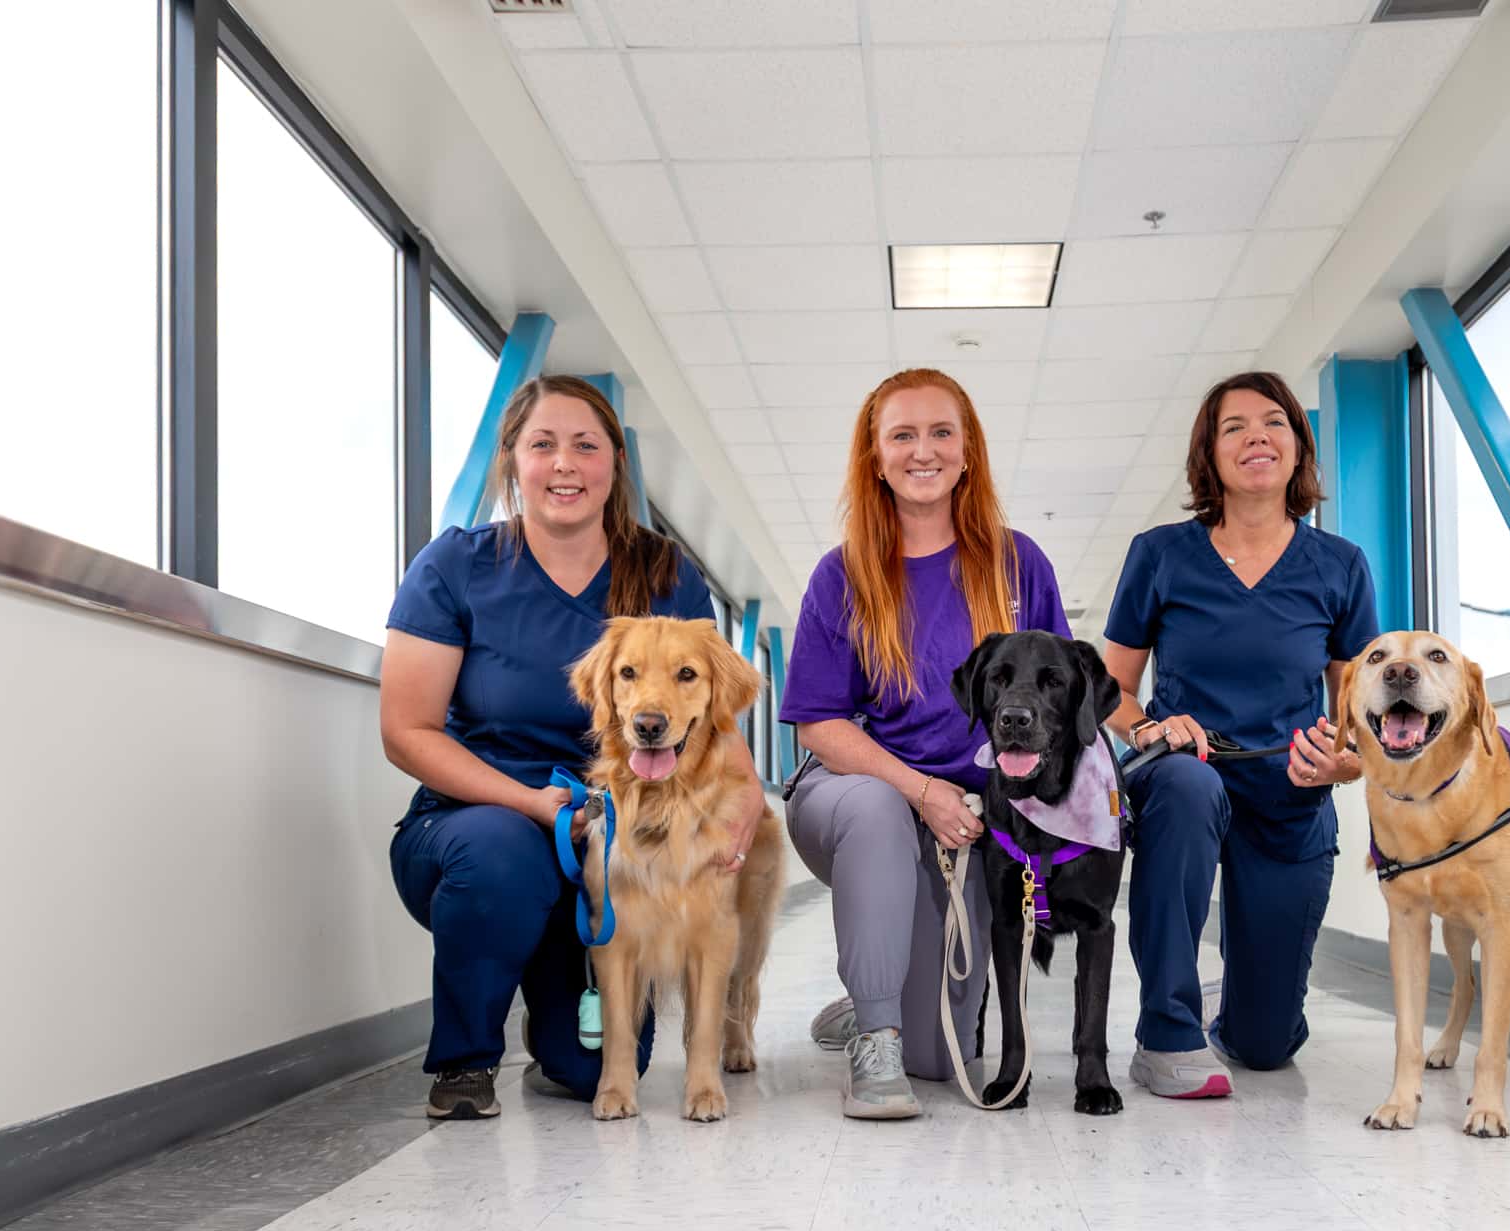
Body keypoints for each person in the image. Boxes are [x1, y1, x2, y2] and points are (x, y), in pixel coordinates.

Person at [380, 375, 764, 1120]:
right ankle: (464, 1061)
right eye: (542, 445)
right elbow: (406, 730)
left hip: (623, 845)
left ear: (613, 465)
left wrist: (744, 805)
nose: (565, 464)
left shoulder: (665, 573)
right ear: (512, 461)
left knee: (594, 1074)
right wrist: (527, 801)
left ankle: (551, 1002)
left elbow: (710, 715)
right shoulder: (457, 566)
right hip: (477, 821)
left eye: (586, 446)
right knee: (500, 855)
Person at [780, 368, 1069, 1120]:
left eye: (942, 432)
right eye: (901, 435)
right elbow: (821, 724)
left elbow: (1060, 703)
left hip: (968, 820)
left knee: (941, 1060)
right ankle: (874, 1032)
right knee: (878, 810)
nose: (923, 451)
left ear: (968, 451)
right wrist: (924, 791)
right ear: (874, 458)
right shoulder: (841, 574)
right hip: (856, 797)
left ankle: (873, 998)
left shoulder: (1017, 565)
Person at [1100, 371, 1378, 1099]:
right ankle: (1165, 1032)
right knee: (1189, 786)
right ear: (1210, 455)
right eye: (1234, 427)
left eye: (1274, 422)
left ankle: (1237, 1006)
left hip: (1290, 795)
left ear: (1297, 447)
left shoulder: (1341, 566)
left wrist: (1344, 766)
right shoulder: (1160, 554)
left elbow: (1360, 713)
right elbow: (1109, 692)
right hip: (1184, 778)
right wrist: (1153, 726)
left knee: (1266, 1047)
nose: (1256, 435)